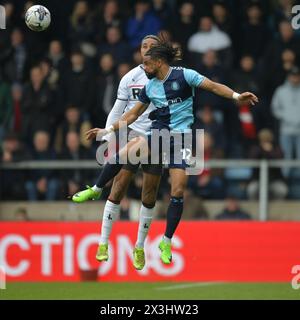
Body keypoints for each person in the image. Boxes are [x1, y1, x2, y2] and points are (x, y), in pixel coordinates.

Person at [83, 40, 258, 265]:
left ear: (158, 62)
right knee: (127, 153)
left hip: (182, 139)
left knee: (178, 190)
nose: (143, 68)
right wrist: (107, 129)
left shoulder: (185, 75)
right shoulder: (149, 87)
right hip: (159, 135)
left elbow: (213, 86)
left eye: (147, 64)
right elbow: (132, 115)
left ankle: (166, 240)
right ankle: (97, 189)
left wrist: (236, 97)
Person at [72, 35, 163, 271]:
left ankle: (140, 246)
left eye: (153, 46)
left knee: (149, 193)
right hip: (133, 134)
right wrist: (109, 136)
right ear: (139, 51)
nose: (148, 49)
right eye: (144, 46)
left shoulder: (168, 76)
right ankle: (103, 243)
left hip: (159, 137)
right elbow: (117, 110)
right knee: (120, 184)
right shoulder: (129, 77)